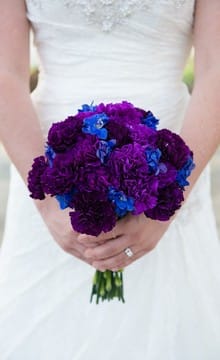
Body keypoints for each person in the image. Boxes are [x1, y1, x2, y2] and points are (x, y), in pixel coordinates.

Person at [0, 0, 220, 359]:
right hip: (48, 166)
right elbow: (5, 72)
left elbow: (215, 71)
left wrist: (169, 198)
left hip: (170, 162)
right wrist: (45, 201)